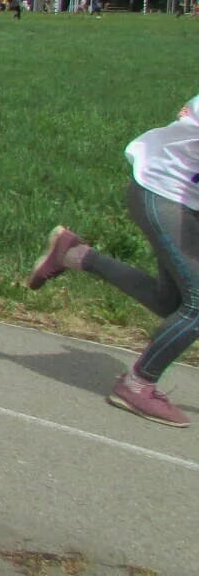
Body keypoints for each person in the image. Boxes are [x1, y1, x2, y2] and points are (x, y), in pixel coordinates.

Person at [27, 96, 199, 428]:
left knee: (172, 302)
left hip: (182, 199)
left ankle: (73, 255)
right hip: (163, 192)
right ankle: (136, 386)